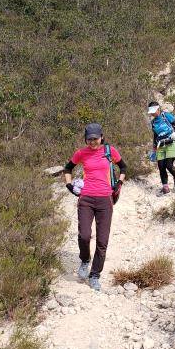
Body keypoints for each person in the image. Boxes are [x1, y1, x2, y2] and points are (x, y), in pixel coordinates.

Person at [62, 123, 126, 291]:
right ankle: (85, 259)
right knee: (84, 235)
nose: (92, 142)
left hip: (105, 200)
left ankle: (95, 274)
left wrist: (119, 182)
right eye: (89, 139)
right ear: (86, 139)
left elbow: (123, 167)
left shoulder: (109, 151)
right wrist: (69, 185)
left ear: (101, 137)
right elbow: (68, 168)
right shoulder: (81, 153)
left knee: (102, 241)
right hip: (86, 199)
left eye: (95, 139)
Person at [147, 101, 175, 195]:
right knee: (161, 166)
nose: (153, 113)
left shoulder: (166, 115)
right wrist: (154, 149)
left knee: (169, 165)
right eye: (151, 112)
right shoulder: (153, 122)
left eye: (154, 111)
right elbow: (155, 135)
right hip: (160, 144)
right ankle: (165, 188)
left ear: (158, 109)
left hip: (171, 142)